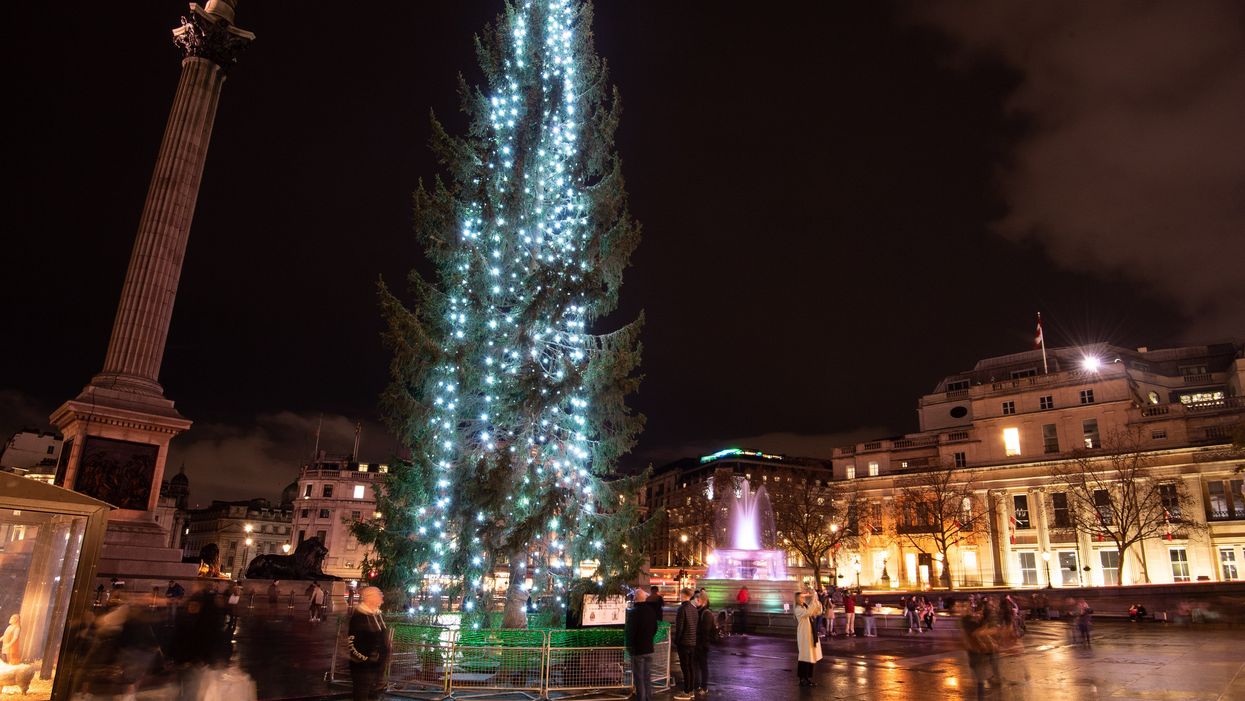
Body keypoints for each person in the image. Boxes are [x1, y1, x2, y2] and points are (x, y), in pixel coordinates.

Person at [347, 586, 389, 701]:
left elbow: (381, 639)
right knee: (362, 695)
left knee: (374, 696)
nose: (382, 596)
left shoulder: (377, 614)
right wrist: (366, 659)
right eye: (379, 594)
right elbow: (352, 643)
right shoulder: (359, 617)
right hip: (363, 668)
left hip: (377, 667)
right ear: (370, 598)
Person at [959, 602, 999, 701]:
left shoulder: (975, 622)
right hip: (976, 654)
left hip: (979, 654)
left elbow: (982, 634)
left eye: (981, 613)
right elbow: (976, 635)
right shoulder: (970, 623)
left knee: (980, 679)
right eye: (978, 613)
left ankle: (989, 682)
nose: (979, 615)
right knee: (980, 679)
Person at [625, 588, 659, 701]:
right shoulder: (651, 611)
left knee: (639, 678)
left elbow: (630, 632)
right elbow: (655, 628)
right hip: (649, 648)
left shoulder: (633, 612)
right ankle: (649, 698)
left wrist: (629, 647)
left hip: (638, 650)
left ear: (636, 598)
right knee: (647, 677)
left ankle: (642, 698)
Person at [672, 588, 699, 700]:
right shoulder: (694, 609)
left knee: (685, 668)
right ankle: (691, 690)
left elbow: (680, 628)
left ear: (683, 595)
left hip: (684, 643)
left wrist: (676, 641)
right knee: (691, 667)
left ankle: (686, 691)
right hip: (692, 642)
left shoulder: (682, 609)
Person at [793, 588, 822, 687]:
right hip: (804, 634)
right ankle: (802, 679)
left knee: (810, 656)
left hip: (810, 634)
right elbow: (808, 613)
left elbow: (817, 612)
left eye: (803, 597)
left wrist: (816, 601)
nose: (803, 598)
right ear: (797, 599)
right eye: (801, 597)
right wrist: (813, 599)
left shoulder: (805, 606)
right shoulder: (798, 609)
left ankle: (807, 678)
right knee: (804, 656)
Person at [694, 592, 715, 696]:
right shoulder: (698, 611)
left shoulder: (706, 613)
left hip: (702, 644)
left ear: (703, 601)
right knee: (696, 665)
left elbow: (706, 631)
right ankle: (697, 685)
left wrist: (704, 644)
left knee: (703, 666)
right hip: (696, 643)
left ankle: (704, 687)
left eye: (698, 599)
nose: (696, 601)